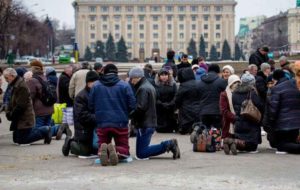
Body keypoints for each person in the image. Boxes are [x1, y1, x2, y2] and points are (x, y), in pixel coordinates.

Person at [89, 64, 136, 166]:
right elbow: (132, 104)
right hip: (120, 122)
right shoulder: (125, 85)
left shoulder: (96, 85)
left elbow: (90, 105)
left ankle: (103, 151)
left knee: (102, 144)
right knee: (124, 148)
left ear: (104, 72)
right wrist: (126, 114)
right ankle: (117, 151)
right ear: (116, 72)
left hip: (102, 122)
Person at [129, 67, 180, 160]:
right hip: (149, 122)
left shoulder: (143, 88)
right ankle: (169, 144)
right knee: (141, 151)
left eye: (132, 78)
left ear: (137, 77)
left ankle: (168, 144)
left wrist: (131, 115)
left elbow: (141, 108)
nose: (131, 81)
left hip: (145, 124)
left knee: (141, 153)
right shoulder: (148, 85)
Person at [3, 68, 52, 145]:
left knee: (22, 140)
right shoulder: (15, 84)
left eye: (6, 77)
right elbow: (12, 102)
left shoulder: (21, 86)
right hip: (20, 117)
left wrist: (11, 115)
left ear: (12, 76)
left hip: (25, 118)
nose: (5, 80)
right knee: (16, 140)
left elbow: (21, 106)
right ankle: (43, 130)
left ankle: (45, 130)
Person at [26, 60, 70, 140]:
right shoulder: (45, 78)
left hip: (39, 111)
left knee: (38, 132)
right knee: (46, 128)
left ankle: (58, 128)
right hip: (49, 108)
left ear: (33, 69)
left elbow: (30, 97)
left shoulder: (32, 80)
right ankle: (59, 128)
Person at [265, 61, 300, 154]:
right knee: (291, 142)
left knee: (281, 146)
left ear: (275, 80)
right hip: (296, 124)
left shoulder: (277, 89)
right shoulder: (296, 86)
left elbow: (273, 109)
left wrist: (271, 123)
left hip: (283, 124)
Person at [62, 71, 99, 156]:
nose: (95, 84)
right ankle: (70, 142)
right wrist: (99, 117)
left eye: (97, 82)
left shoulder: (99, 93)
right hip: (84, 129)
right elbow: (82, 116)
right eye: (92, 82)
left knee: (96, 150)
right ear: (88, 83)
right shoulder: (81, 96)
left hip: (95, 127)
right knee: (83, 152)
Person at [231, 73, 263, 153]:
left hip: (239, 120)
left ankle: (237, 144)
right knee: (252, 145)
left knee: (241, 137)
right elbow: (259, 105)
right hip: (250, 119)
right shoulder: (252, 93)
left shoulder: (234, 93)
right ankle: (245, 146)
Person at [198, 64, 227, 130]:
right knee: (216, 133)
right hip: (217, 111)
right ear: (218, 72)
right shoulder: (221, 82)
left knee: (205, 132)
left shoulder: (200, 82)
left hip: (203, 111)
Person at [175, 68, 201, 134]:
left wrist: (177, 106)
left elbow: (178, 99)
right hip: (199, 108)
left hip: (186, 109)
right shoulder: (199, 83)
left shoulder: (183, 85)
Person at [220, 75, 241, 155]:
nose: (237, 84)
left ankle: (234, 144)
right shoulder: (224, 94)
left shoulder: (240, 93)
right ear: (230, 83)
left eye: (239, 82)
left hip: (239, 119)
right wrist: (234, 117)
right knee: (228, 135)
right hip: (229, 120)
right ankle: (228, 144)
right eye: (235, 82)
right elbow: (224, 110)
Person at [154, 68, 177, 133]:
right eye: (162, 75)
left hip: (170, 107)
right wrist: (161, 104)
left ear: (168, 76)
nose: (164, 76)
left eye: (165, 75)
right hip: (160, 107)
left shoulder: (173, 84)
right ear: (159, 76)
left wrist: (171, 103)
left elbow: (176, 95)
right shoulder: (156, 85)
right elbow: (154, 97)